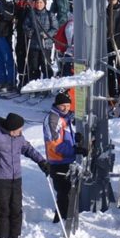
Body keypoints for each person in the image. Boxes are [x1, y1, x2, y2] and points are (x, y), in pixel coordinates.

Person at [43, 91, 77, 224]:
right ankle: (60, 220)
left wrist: (76, 141)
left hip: (67, 159)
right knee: (63, 192)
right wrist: (74, 150)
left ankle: (67, 218)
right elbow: (54, 144)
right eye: (63, 105)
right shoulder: (53, 118)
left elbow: (66, 136)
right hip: (58, 160)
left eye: (68, 105)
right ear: (57, 105)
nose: (66, 108)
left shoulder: (65, 117)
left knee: (68, 191)